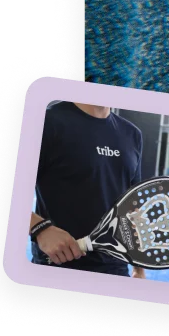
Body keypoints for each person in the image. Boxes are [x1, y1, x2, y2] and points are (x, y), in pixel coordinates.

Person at [29, 102, 145, 278]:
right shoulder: (47, 122)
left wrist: (138, 268)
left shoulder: (132, 134)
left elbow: (132, 208)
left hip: (116, 270)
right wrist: (39, 228)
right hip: (56, 269)